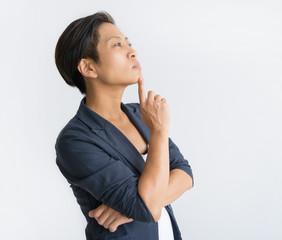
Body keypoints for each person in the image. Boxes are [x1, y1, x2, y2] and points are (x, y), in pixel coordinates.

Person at [54, 11, 194, 240]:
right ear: (88, 68)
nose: (132, 51)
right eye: (117, 45)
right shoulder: (76, 140)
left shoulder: (141, 113)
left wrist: (134, 208)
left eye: (129, 43)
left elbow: (185, 174)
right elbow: (148, 208)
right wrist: (158, 132)